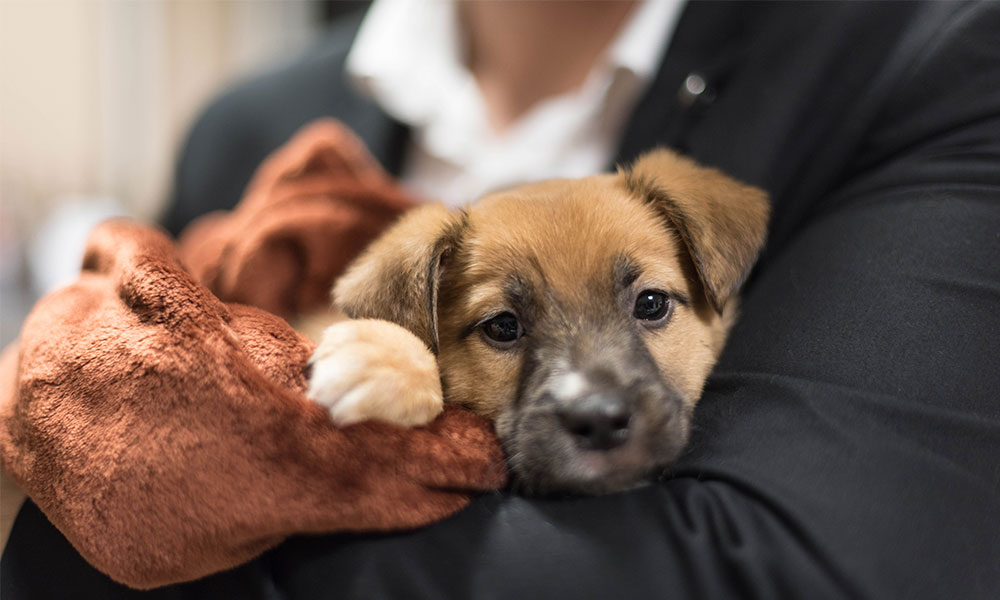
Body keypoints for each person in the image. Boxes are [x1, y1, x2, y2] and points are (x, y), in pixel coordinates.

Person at [4, 1, 999, 598]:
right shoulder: (249, 129)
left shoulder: (925, 61)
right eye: (503, 326)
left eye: (651, 305)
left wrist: (177, 540)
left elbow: (798, 574)